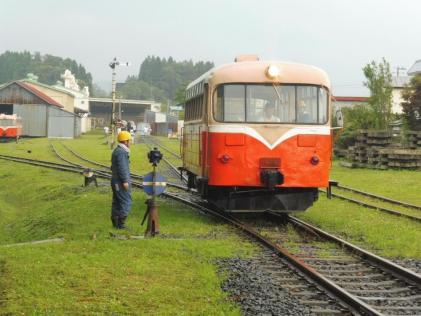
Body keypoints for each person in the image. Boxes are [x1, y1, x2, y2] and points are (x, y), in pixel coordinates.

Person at [110, 131, 132, 229]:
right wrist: (125, 181)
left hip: (115, 181)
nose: (130, 142)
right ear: (126, 141)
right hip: (120, 182)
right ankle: (121, 224)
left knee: (117, 201)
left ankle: (116, 222)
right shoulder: (122, 152)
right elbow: (122, 167)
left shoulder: (117, 150)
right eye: (129, 140)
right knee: (126, 201)